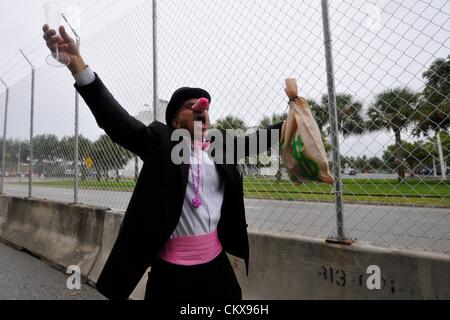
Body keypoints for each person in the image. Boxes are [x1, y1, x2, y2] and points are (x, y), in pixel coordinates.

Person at [42, 25, 283, 301]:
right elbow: (117, 122)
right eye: (189, 106)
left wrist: (290, 124)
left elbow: (256, 142)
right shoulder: (162, 143)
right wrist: (77, 65)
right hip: (172, 275)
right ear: (174, 122)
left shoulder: (221, 146)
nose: (200, 108)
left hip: (218, 268)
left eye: (203, 106)